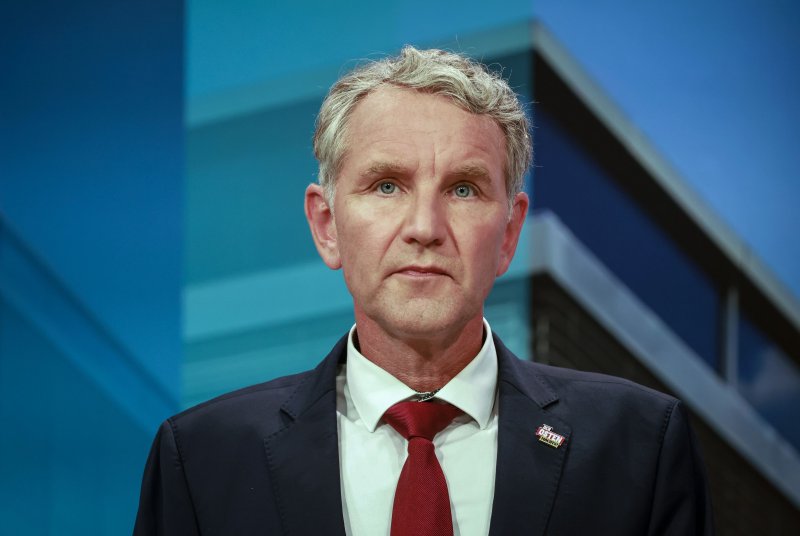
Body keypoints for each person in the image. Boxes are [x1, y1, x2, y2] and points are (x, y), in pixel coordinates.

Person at [134, 46, 713, 535]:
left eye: (463, 189)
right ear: (327, 225)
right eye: (386, 185)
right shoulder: (203, 458)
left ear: (509, 233)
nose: (424, 228)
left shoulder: (640, 446)